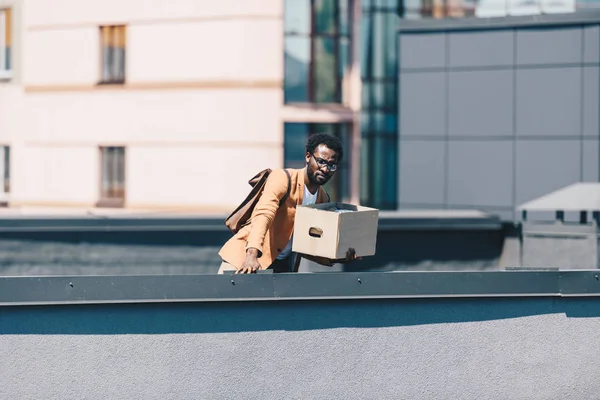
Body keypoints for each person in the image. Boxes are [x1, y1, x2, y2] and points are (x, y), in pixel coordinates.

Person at [218, 132, 360, 274]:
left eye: (331, 165)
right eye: (321, 161)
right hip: (244, 260)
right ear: (308, 157)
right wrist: (251, 255)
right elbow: (263, 215)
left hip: (281, 268)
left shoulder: (323, 199)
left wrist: (338, 257)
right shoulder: (283, 178)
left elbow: (312, 245)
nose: (325, 169)